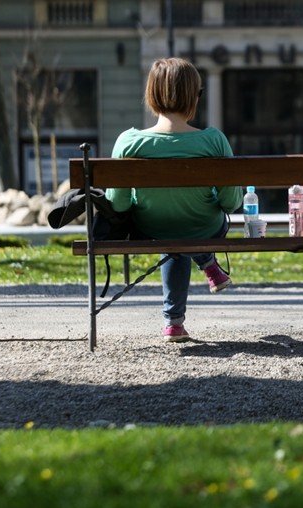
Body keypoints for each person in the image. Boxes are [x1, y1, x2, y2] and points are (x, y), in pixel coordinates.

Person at [106, 58, 242, 342]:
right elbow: (231, 204)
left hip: (151, 230)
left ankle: (174, 324)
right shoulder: (214, 140)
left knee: (172, 237)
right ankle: (208, 264)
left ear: (151, 96)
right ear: (194, 97)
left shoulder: (128, 142)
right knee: (188, 229)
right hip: (204, 228)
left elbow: (117, 206)